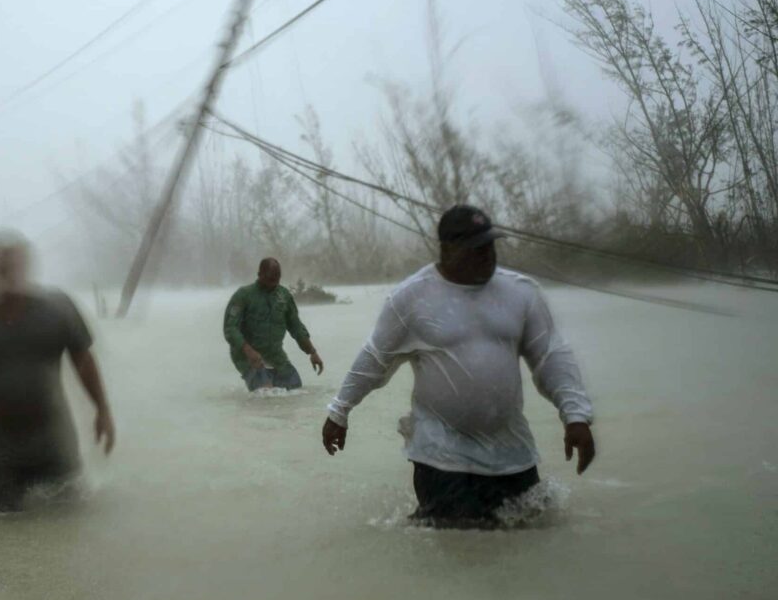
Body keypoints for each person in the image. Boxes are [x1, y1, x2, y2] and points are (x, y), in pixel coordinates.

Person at [320, 205, 596, 528]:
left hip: (511, 453)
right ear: (447, 249)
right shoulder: (411, 298)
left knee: (530, 539)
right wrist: (339, 412)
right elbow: (374, 360)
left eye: (490, 246)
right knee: (457, 551)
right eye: (476, 249)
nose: (487, 256)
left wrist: (575, 416)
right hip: (441, 456)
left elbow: (551, 357)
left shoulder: (521, 292)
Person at [0, 230, 115, 513]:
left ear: (27, 265)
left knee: (69, 535)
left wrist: (102, 410)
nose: (8, 270)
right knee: (3, 540)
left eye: (15, 262)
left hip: (55, 446)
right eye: (0, 263)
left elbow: (83, 360)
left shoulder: (58, 307)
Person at [223, 257, 324, 391]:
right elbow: (230, 329)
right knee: (265, 394)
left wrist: (312, 352)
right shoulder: (244, 295)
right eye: (270, 279)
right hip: (246, 356)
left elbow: (296, 326)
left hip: (275, 355)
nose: (273, 283)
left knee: (296, 388)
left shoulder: (283, 296)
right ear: (259, 274)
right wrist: (248, 351)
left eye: (277, 279)